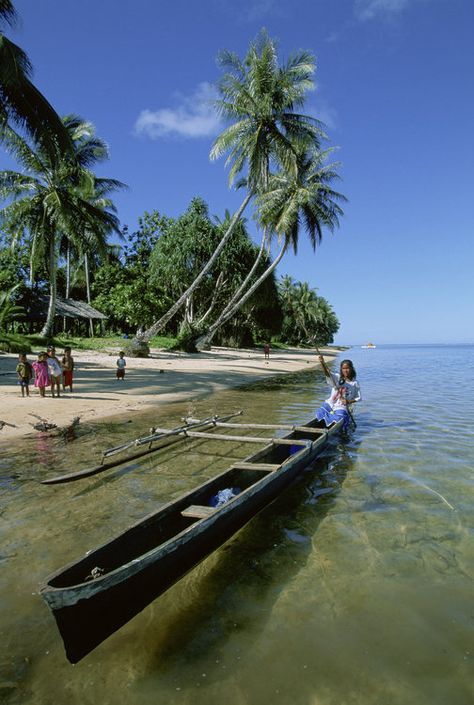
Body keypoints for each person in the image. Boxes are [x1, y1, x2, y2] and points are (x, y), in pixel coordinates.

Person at [316, 355, 361, 430]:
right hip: (331, 403)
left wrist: (348, 401)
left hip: (342, 406)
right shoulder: (337, 377)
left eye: (347, 368)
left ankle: (333, 423)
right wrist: (322, 363)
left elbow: (358, 398)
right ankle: (326, 422)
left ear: (351, 369)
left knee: (340, 415)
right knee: (320, 411)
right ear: (341, 369)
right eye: (343, 368)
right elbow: (327, 374)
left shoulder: (355, 383)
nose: (345, 371)